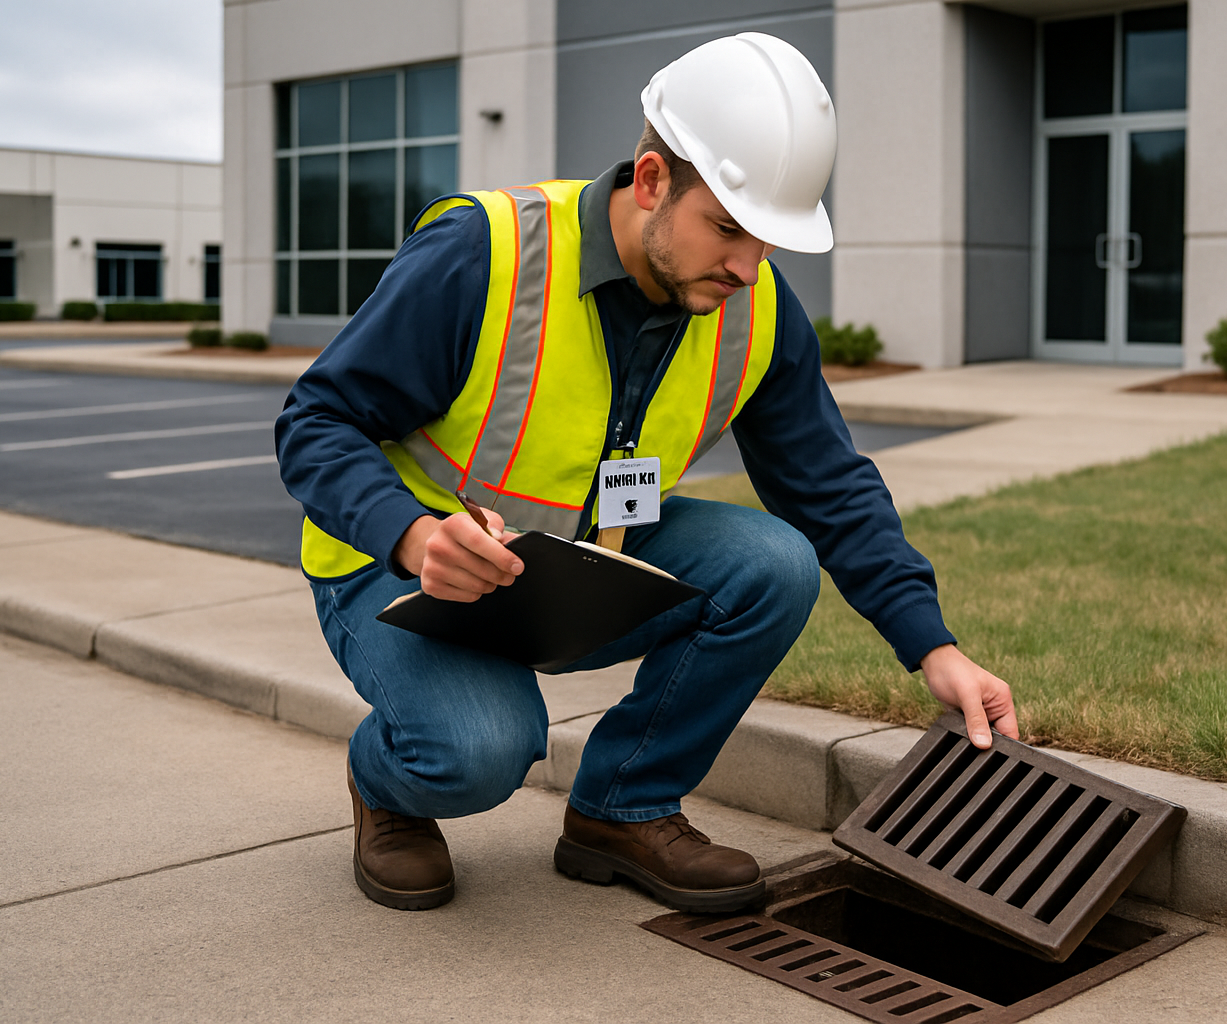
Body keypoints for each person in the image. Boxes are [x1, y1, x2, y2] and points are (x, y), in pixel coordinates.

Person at [276, 32, 1018, 914]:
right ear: (653, 180)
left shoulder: (755, 308)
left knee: (773, 562)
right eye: (731, 230)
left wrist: (932, 645)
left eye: (769, 242)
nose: (749, 268)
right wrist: (412, 534)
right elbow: (315, 421)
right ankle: (387, 790)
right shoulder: (486, 254)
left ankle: (622, 809)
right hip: (406, 576)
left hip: (578, 565)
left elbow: (830, 485)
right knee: (478, 750)